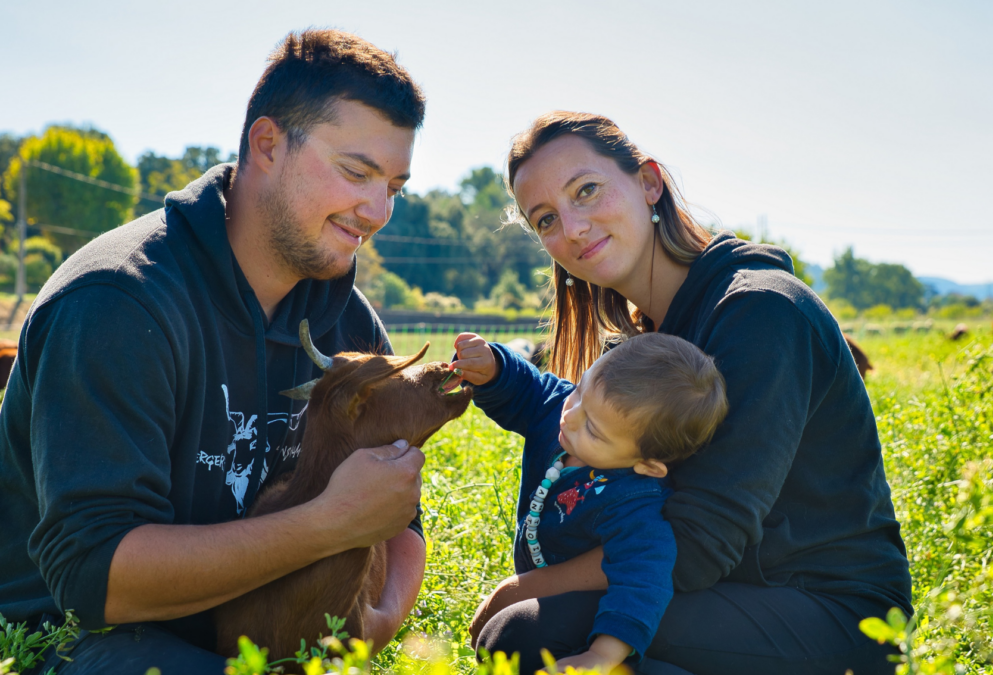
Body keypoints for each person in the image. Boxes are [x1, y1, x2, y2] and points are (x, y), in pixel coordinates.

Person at [0, 30, 429, 674]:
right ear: (267, 145)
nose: (377, 209)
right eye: (356, 172)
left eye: (395, 184)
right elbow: (96, 581)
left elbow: (399, 517)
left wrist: (381, 620)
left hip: (268, 635)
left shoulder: (350, 324)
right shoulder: (118, 303)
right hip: (80, 640)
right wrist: (327, 525)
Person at [472, 111, 913, 675]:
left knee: (531, 628)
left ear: (649, 183)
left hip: (834, 613)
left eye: (587, 190)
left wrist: (523, 586)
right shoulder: (651, 340)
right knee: (552, 628)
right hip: (737, 593)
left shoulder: (761, 311)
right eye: (546, 220)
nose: (573, 228)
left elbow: (698, 545)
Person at [448, 331, 727, 672]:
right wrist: (494, 368)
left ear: (647, 465)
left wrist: (601, 655)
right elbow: (530, 390)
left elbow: (640, 584)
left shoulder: (634, 504)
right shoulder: (565, 411)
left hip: (579, 609)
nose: (572, 415)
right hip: (542, 581)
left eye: (593, 430)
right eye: (580, 389)